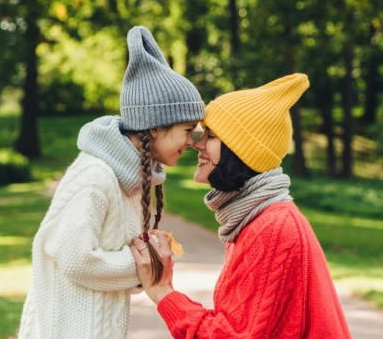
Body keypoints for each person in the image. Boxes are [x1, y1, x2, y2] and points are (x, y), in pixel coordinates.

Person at [17, 26, 205, 339]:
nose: (192, 141)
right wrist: (147, 266)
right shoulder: (96, 177)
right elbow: (76, 259)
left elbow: (105, 268)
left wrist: (145, 263)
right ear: (155, 127)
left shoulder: (128, 179)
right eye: (187, 130)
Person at [131, 73, 352, 338]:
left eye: (210, 136)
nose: (197, 144)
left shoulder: (271, 229)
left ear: (241, 150)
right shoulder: (259, 219)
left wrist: (163, 292)